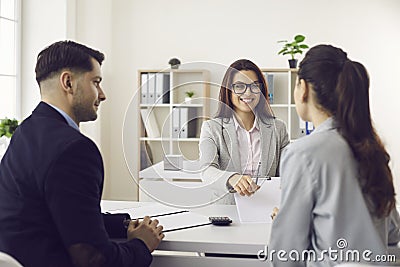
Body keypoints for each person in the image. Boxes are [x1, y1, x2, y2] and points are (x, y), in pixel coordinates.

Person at [0, 40, 164, 267]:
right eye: (96, 82)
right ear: (68, 82)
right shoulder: (75, 149)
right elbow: (92, 259)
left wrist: (123, 225)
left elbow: (60, 215)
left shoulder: (26, 131)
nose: (103, 94)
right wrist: (141, 245)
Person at [269, 44, 400, 266]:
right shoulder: (371, 148)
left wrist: (288, 220)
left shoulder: (302, 153)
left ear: (304, 89)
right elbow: (393, 232)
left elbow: (285, 257)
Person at [199, 59, 289, 204]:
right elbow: (206, 170)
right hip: (226, 212)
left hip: (267, 209)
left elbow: (286, 172)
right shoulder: (212, 128)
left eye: (254, 86)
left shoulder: (278, 128)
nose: (248, 92)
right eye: (240, 86)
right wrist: (231, 178)